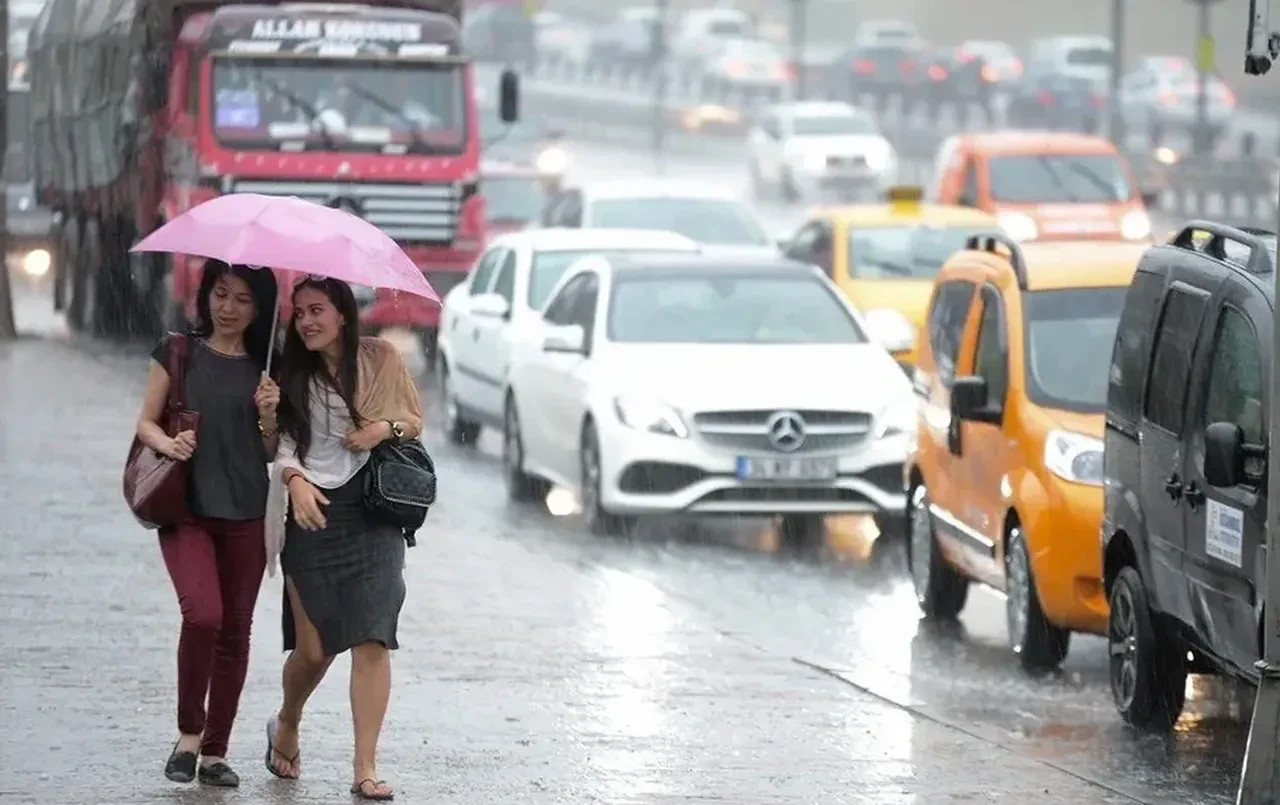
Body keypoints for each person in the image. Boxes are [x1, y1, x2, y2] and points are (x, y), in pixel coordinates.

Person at [263, 276, 423, 801]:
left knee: (374, 634)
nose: (306, 321)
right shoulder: (287, 370)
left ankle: (366, 766)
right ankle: (287, 720)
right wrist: (294, 477)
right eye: (299, 311)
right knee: (314, 650)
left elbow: (412, 422)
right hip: (312, 510)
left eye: (317, 310)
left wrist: (381, 431)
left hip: (372, 509)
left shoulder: (381, 358)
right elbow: (279, 446)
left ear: (343, 315)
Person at [135, 260, 281, 787]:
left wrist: (269, 413)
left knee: (235, 633)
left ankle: (215, 751)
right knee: (203, 616)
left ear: (259, 308)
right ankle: (189, 735)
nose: (229, 307)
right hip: (188, 509)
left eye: (243, 299)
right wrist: (169, 443)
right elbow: (146, 422)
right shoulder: (178, 350)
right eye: (221, 294)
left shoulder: (271, 367)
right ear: (207, 295)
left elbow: (270, 451)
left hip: (247, 513)